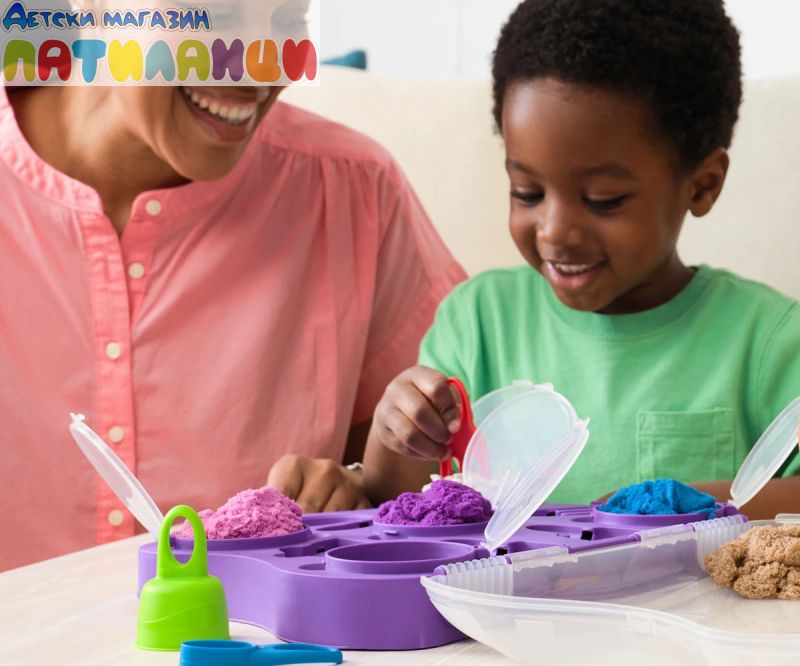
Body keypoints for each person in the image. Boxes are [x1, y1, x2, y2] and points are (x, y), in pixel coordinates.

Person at [0, 74, 465, 568]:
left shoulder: (356, 189)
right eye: (206, 28)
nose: (255, 65)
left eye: (283, 27)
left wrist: (352, 489)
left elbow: (435, 479)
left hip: (258, 619)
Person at [359, 0, 800, 519]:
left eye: (603, 200)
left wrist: (689, 507)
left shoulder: (770, 340)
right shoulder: (478, 321)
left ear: (702, 186)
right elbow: (394, 503)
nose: (554, 231)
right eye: (526, 192)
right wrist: (396, 429)